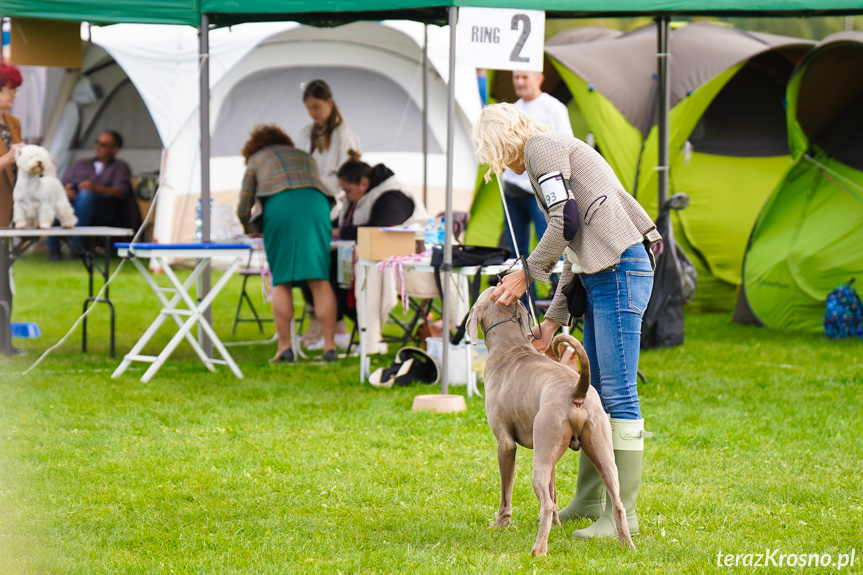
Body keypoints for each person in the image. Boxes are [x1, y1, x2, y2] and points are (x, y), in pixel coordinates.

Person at [471, 103, 661, 541]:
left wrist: (528, 271)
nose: (501, 166)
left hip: (619, 270)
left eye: (494, 154)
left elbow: (566, 221)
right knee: (587, 392)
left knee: (616, 391)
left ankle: (621, 514)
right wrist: (552, 324)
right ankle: (591, 501)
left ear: (502, 141)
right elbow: (574, 245)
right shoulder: (553, 151)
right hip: (603, 273)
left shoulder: (541, 148)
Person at [237, 124, 338, 363]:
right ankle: (330, 347)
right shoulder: (304, 155)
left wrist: (249, 228)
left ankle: (284, 348)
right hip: (316, 204)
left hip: (279, 205)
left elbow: (244, 204)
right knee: (319, 279)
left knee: (282, 279)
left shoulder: (256, 159)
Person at [329, 152, 430, 354]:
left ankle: (369, 335)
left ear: (364, 184)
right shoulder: (356, 197)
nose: (345, 196)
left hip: (406, 265)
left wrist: (339, 232)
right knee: (324, 269)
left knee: (341, 274)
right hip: (362, 260)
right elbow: (341, 222)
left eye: (347, 191)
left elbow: (378, 229)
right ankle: (354, 330)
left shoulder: (393, 196)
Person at [298, 79, 361, 347]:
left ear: (329, 103)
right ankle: (329, 327)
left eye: (317, 106)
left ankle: (335, 329)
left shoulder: (343, 135)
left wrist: (320, 186)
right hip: (309, 207)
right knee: (310, 267)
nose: (313, 112)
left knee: (326, 269)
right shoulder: (306, 132)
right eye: (309, 107)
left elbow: (349, 177)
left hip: (333, 208)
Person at [500, 71, 573, 261]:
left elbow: (567, 144)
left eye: (525, 77)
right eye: (516, 77)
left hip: (541, 191)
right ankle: (523, 292)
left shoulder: (554, 108)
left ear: (539, 78)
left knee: (550, 246)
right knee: (516, 249)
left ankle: (557, 290)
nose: (519, 82)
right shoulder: (512, 110)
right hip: (512, 190)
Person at [47, 130, 133, 259]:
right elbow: (60, 185)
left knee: (86, 195)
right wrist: (65, 191)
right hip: (71, 206)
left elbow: (120, 191)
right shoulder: (81, 164)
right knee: (56, 199)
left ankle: (75, 248)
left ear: (115, 149)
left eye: (103, 144)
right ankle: (53, 250)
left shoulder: (120, 167)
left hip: (104, 211)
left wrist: (95, 188)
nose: (98, 146)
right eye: (97, 142)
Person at [0, 64, 24, 354]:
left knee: (4, 277)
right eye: (9, 90)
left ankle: (5, 343)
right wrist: (7, 160)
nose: (14, 96)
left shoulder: (13, 123)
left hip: (10, 206)